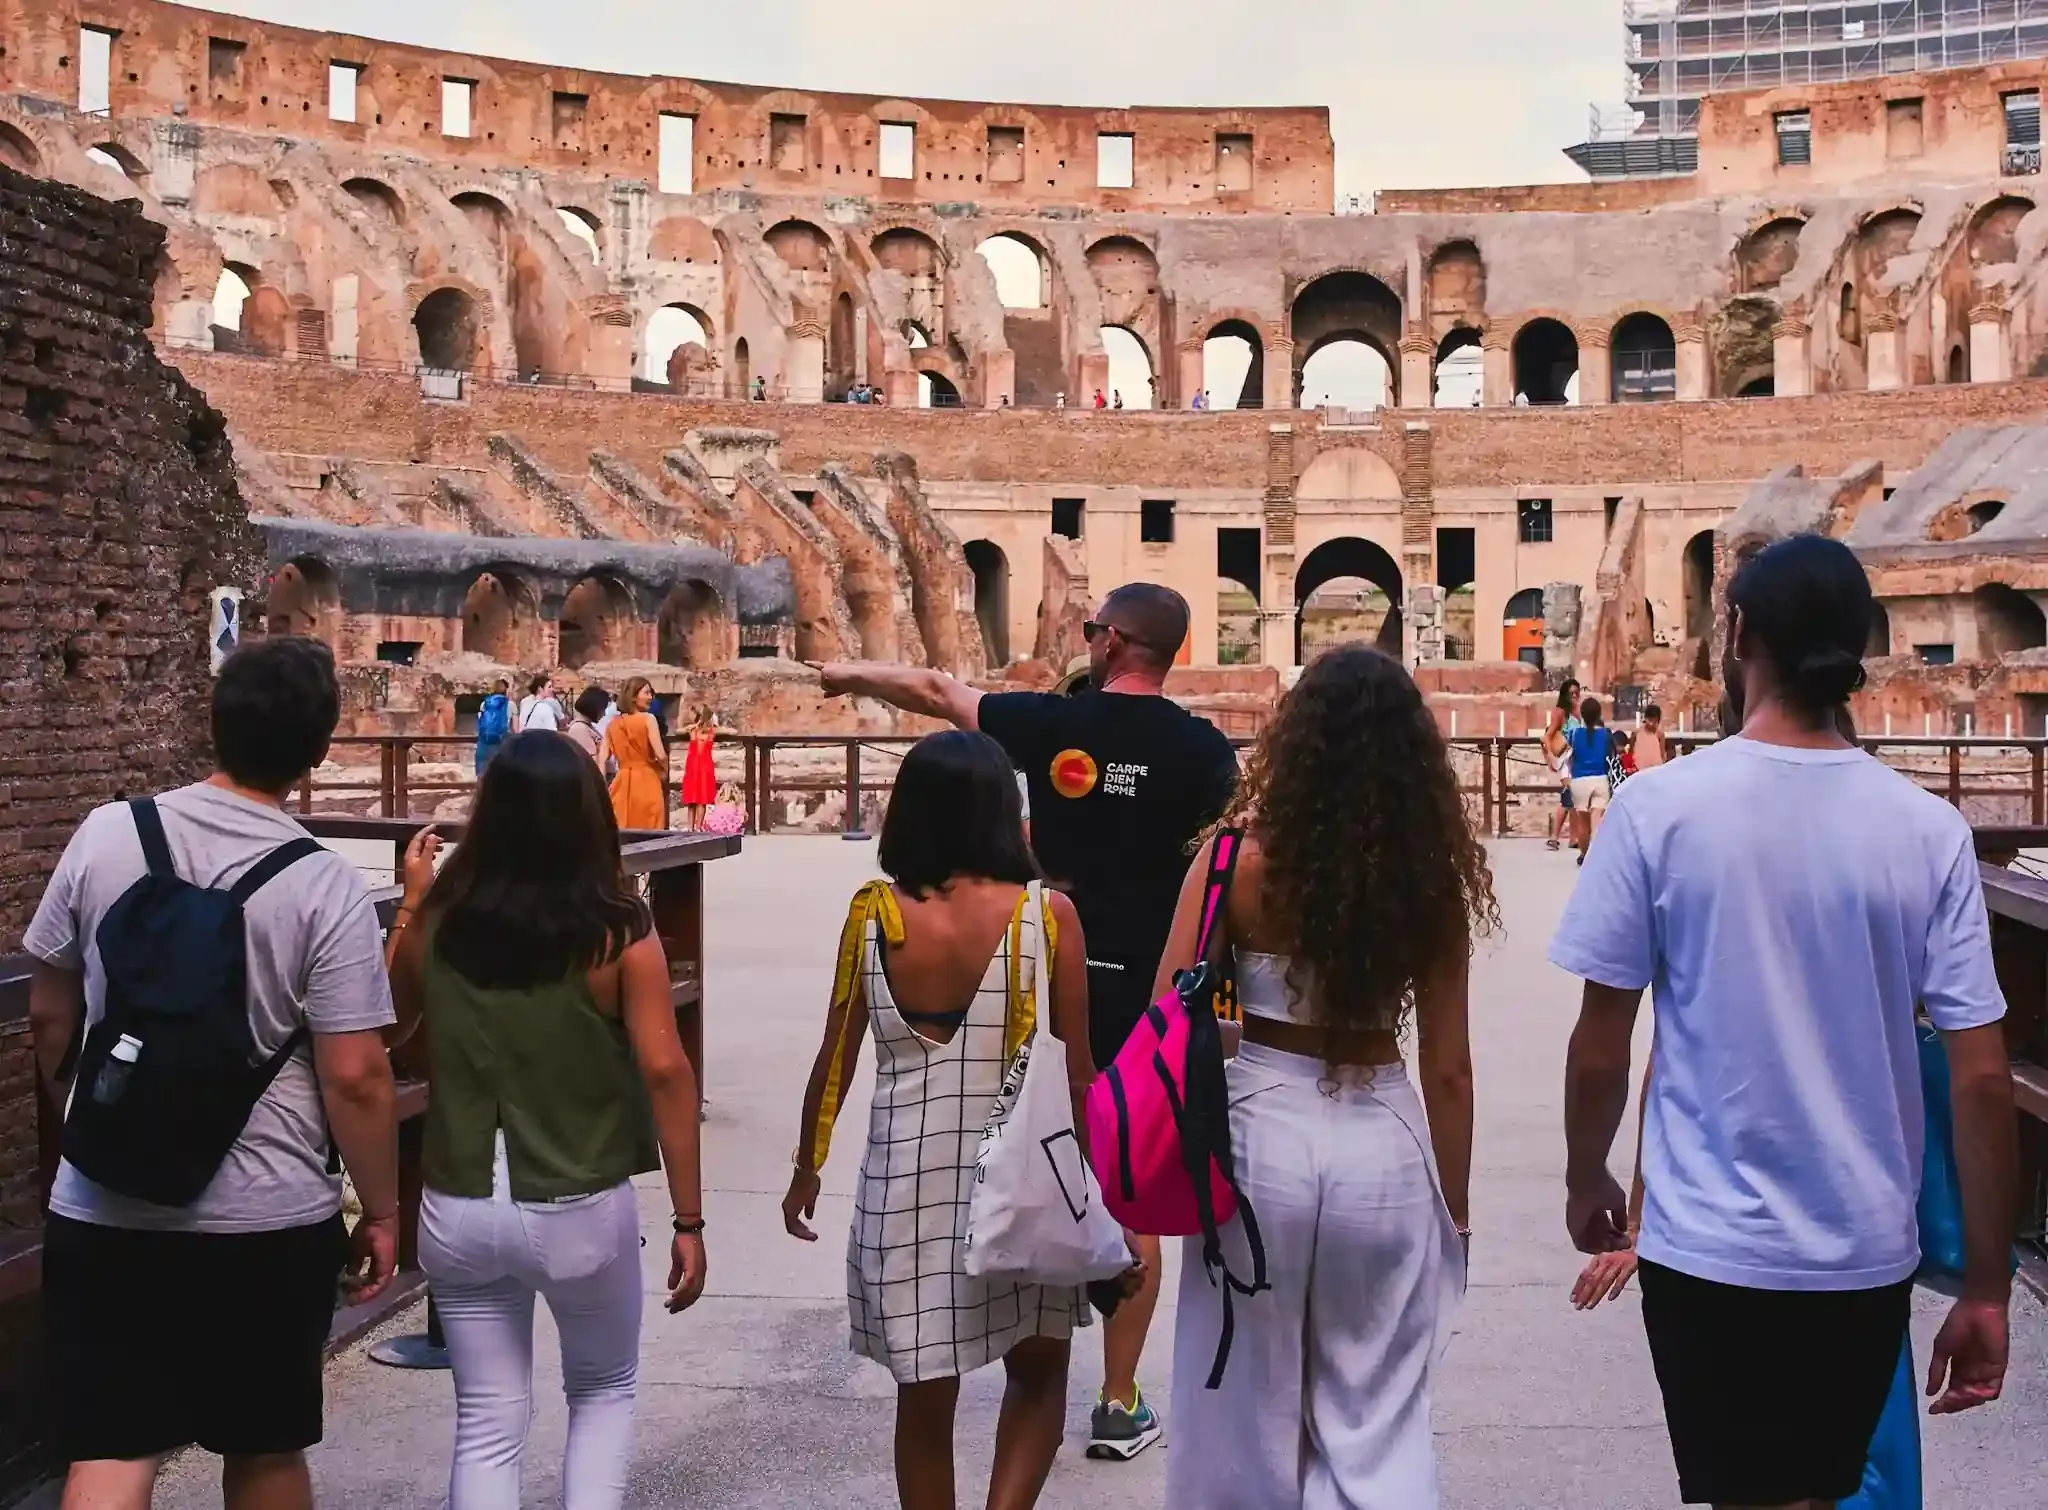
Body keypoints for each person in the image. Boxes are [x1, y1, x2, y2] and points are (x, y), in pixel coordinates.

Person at [1553, 534, 2016, 1510]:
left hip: (1706, 1246)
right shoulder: (1925, 829)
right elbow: (1979, 1076)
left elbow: (1601, 1041)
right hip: (1859, 1244)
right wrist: (1983, 1285)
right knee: (1810, 1491)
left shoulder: (1656, 810)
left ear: (1738, 636)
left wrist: (1587, 1171)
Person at [813, 583, 1238, 1462]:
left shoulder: (1048, 724)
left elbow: (936, 693)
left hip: (1039, 964)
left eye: (1092, 631)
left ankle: (973, 1322)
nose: (1085, 641)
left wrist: (850, 671)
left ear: (1114, 642)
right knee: (1126, 1184)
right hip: (1151, 990)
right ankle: (1118, 1397)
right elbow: (1220, 869)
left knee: (1005, 1137)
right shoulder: (1203, 751)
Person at [24, 638, 401, 1510]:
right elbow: (355, 1076)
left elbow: (50, 1008)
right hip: (264, 1213)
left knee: (111, 1450)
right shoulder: (323, 883)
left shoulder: (108, 831)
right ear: (317, 752)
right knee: (263, 1448)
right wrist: (381, 1208)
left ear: (213, 724)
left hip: (106, 1201)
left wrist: (86, 1109)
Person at [1152, 644, 1488, 1508]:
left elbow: (1166, 1017)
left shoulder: (1234, 861)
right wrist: (1454, 1211)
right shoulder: (1429, 879)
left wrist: (1239, 1038)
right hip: (1383, 1136)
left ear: (1294, 743)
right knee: (1377, 1410)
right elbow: (1448, 1068)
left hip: (1262, 1126)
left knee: (1240, 1404)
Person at [385, 733, 707, 1510]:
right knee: (601, 1394)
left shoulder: (446, 920)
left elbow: (393, 1020)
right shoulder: (618, 928)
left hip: (459, 1198)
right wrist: (689, 1219)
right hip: (576, 1196)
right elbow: (665, 1070)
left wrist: (412, 903)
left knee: (487, 1423)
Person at [781, 731, 1097, 1510]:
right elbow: (1081, 1074)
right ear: (1002, 813)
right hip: (1023, 1186)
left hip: (906, 1189)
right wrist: (1099, 1189)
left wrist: (806, 1167)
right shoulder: (1046, 917)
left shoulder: (875, 916)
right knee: (1039, 1370)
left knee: (924, 1398)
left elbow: (836, 1058)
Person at [602, 677, 667, 833]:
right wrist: (665, 770)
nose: (651, 697)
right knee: (650, 830)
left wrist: (602, 784)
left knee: (623, 829)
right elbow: (661, 755)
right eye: (646, 693)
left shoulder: (613, 724)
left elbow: (601, 758)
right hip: (647, 778)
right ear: (633, 696)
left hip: (622, 781)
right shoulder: (648, 719)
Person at [1565, 696, 1614, 859]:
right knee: (1597, 818)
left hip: (1579, 780)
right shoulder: (1606, 734)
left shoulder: (1574, 734)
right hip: (1600, 778)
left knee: (1583, 823)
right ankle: (1597, 855)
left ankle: (1585, 856)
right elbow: (1611, 756)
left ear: (1583, 714)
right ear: (1599, 714)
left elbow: (1568, 757)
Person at [1543, 678, 1582, 851]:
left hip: (1576, 757)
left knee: (1574, 798)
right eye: (1571, 693)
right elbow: (1547, 736)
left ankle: (1574, 837)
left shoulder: (1577, 712)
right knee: (1568, 796)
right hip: (1565, 758)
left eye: (1577, 693)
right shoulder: (1560, 712)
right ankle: (1555, 837)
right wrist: (1550, 757)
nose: (1574, 696)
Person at [678, 708, 718, 831]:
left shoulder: (711, 732)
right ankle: (691, 827)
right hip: (693, 767)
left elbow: (732, 731)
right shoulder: (693, 730)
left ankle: (698, 827)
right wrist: (694, 725)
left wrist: (713, 725)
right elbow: (678, 731)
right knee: (692, 798)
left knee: (702, 798)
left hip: (704, 767)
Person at [565, 684, 609, 765]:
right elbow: (592, 763)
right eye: (603, 709)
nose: (604, 714)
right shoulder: (580, 729)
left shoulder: (586, 727)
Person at [475, 678, 512, 776]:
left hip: (484, 741)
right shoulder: (510, 704)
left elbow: (479, 721)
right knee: (499, 774)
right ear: (506, 690)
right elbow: (515, 727)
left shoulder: (485, 703)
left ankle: (481, 790)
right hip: (501, 742)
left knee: (482, 773)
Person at [1634, 702, 1669, 769]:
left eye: (1655, 722)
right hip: (1639, 769)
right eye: (1650, 720)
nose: (1652, 724)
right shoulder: (1636, 733)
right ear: (1645, 718)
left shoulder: (1660, 735)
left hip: (1655, 769)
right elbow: (1631, 752)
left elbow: (1662, 753)